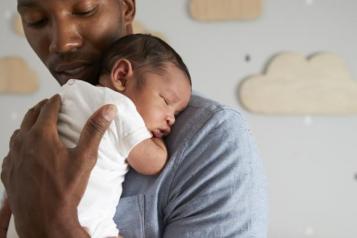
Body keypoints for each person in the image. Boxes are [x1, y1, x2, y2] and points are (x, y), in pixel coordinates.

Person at [1, 0, 268, 237]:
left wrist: (56, 227)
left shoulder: (212, 138)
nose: (61, 43)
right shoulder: (43, 125)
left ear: (126, 7)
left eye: (85, 10)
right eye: (35, 20)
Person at [4, 33, 192, 237]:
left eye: (176, 113)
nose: (171, 119)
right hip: (85, 222)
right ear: (121, 76)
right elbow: (152, 163)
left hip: (22, 222)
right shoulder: (120, 108)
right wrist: (158, 142)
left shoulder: (68, 94)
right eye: (166, 101)